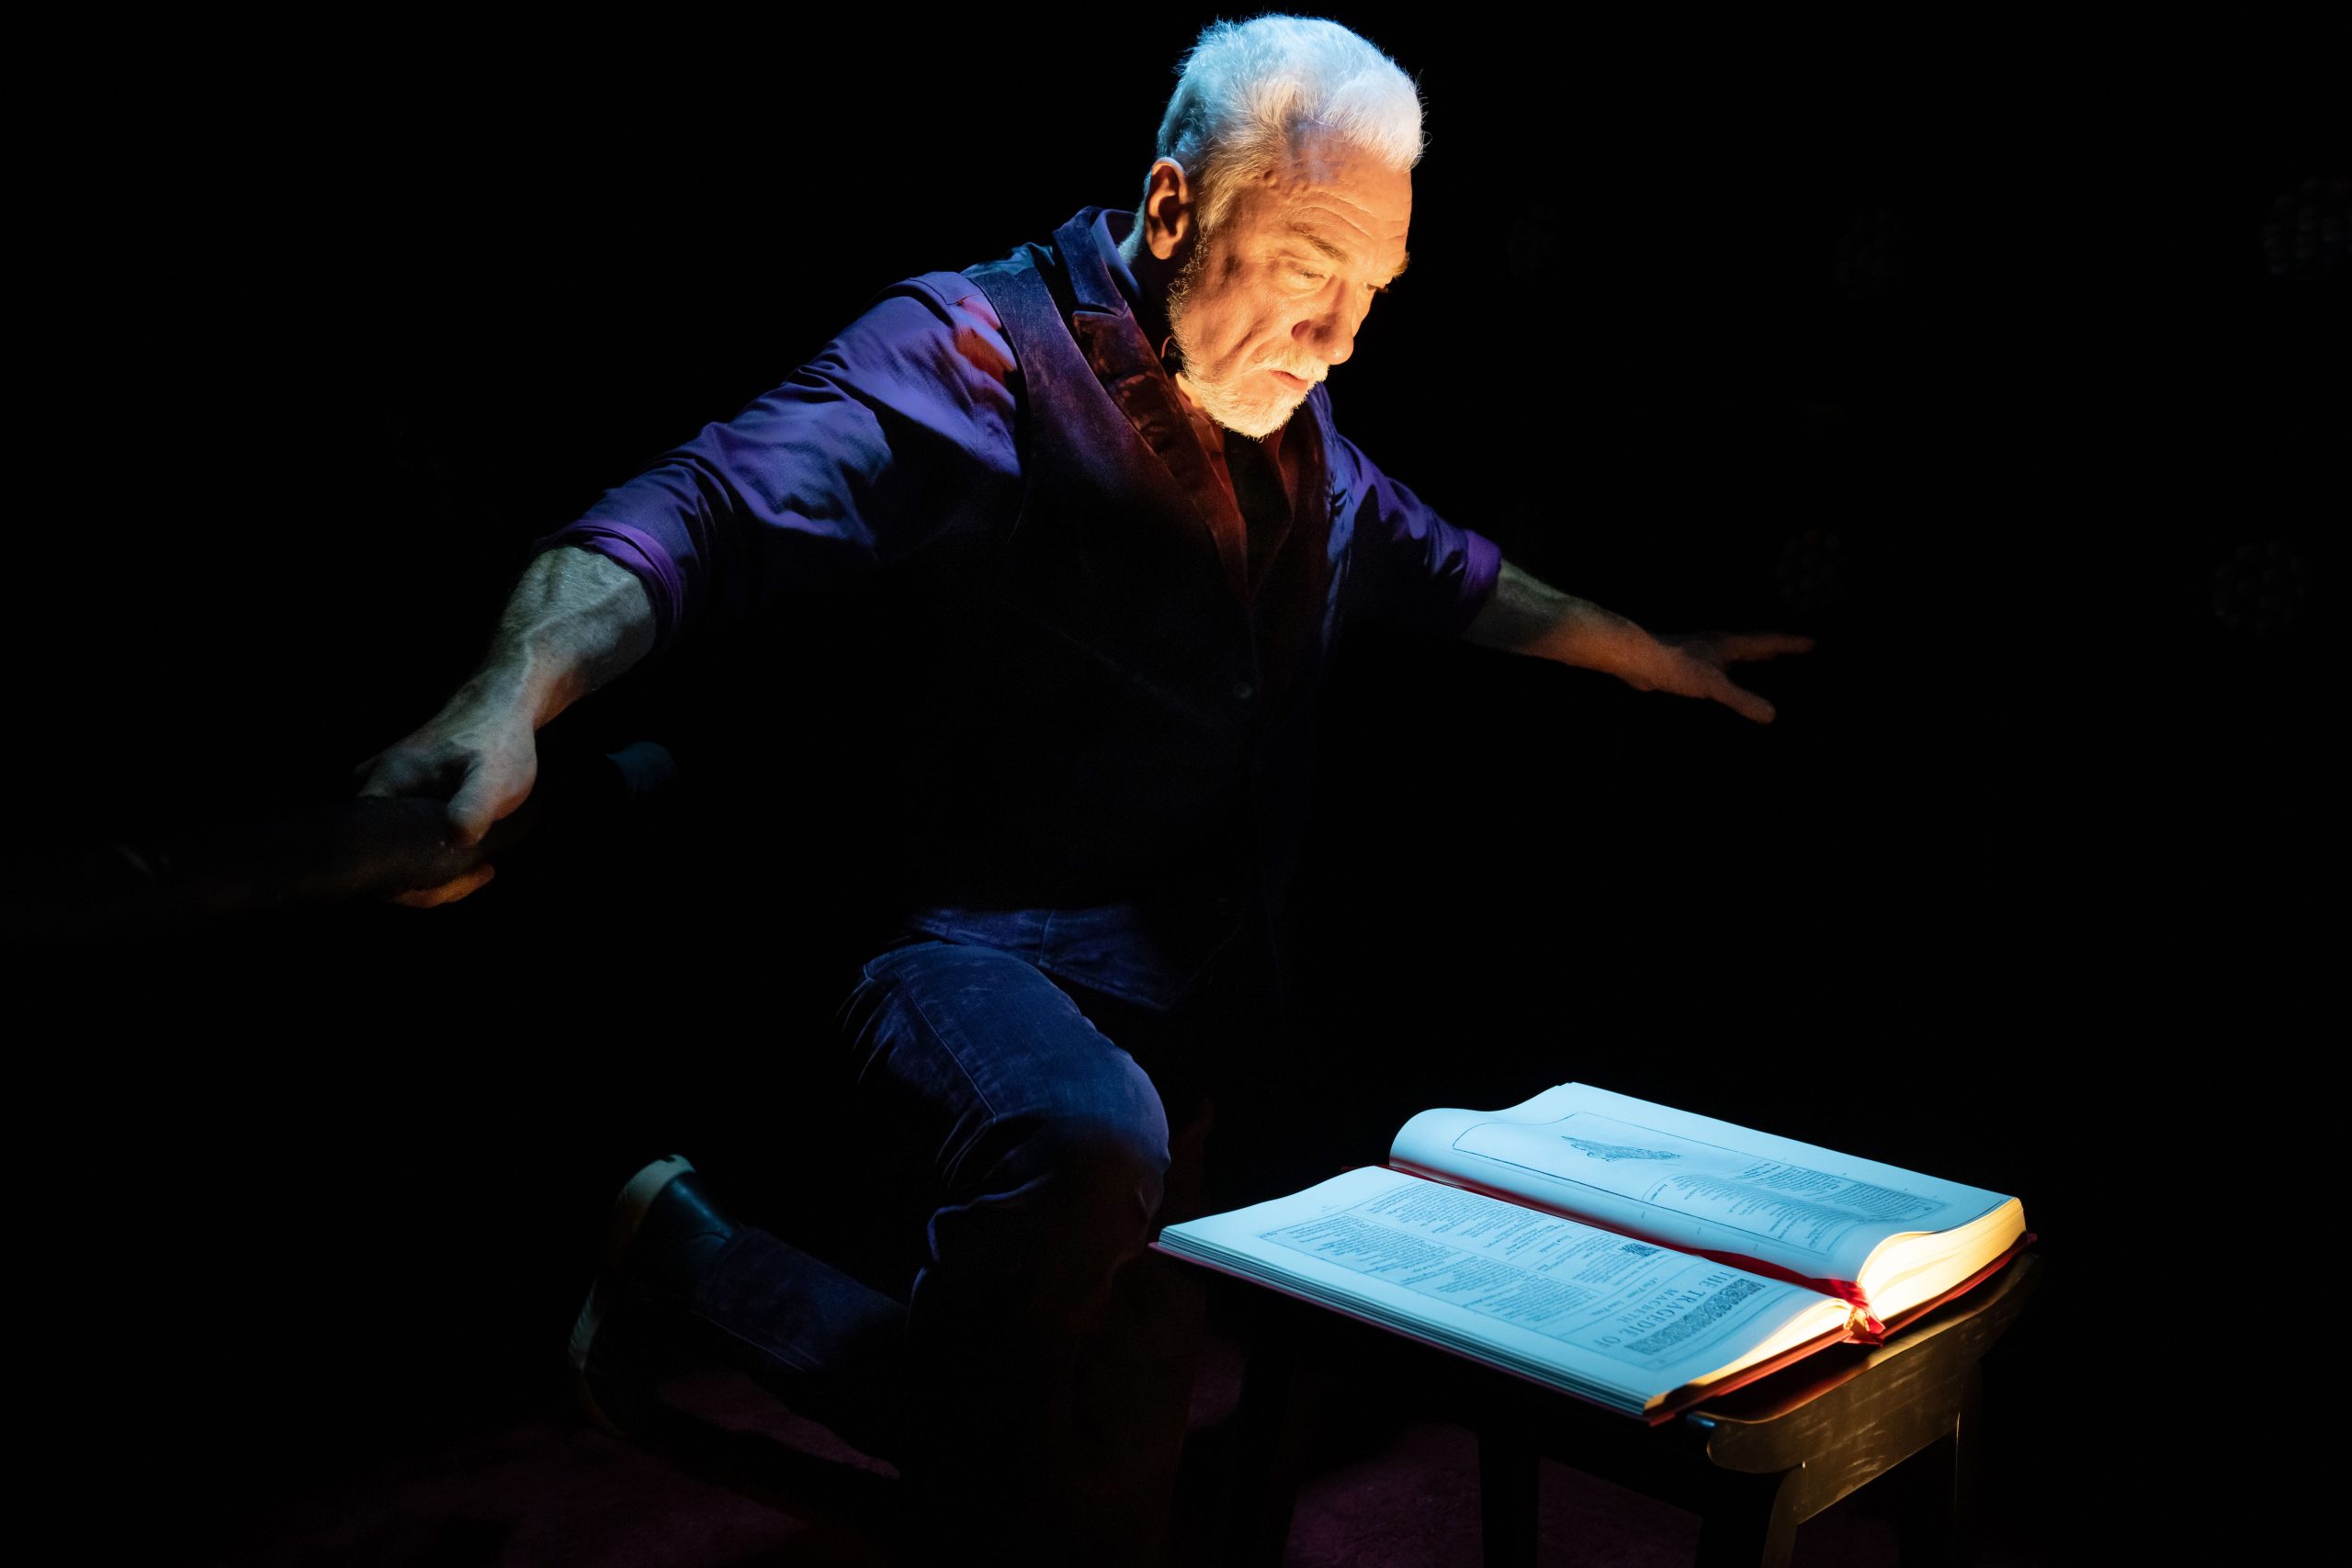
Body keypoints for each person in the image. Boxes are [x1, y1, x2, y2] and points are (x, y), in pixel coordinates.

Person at [356, 16, 1809, 1563]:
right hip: (953, 944)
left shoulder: (1287, 419)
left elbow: (1439, 564)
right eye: (1307, 265)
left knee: (1083, 1496)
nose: (1337, 338)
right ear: (1174, 206)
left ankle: (741, 1293)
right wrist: (506, 692)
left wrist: (1643, 651)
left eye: (1373, 291)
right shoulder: (972, 356)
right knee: (1084, 1143)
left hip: (1189, 1000)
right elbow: (700, 509)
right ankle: (700, 1270)